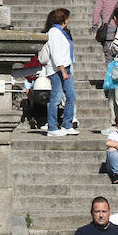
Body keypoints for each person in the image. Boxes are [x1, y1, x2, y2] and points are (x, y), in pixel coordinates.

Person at [42, 7, 79, 137]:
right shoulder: (54, 32)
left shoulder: (60, 32)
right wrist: (63, 70)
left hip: (64, 67)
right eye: (68, 17)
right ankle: (52, 127)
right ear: (64, 19)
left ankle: (67, 124)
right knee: (56, 98)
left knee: (71, 95)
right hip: (57, 69)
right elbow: (56, 53)